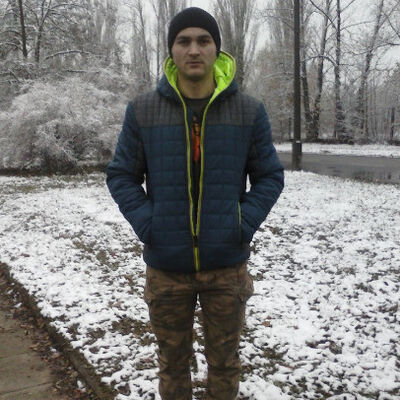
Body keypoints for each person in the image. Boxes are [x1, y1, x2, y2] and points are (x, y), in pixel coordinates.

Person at [106, 7, 284, 400]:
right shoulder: (143, 110)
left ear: (216, 49)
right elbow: (121, 175)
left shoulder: (248, 110)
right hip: (167, 269)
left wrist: (240, 224)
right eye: (183, 41)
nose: (194, 50)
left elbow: (270, 176)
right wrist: (150, 224)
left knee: (225, 362)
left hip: (227, 268)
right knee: (172, 364)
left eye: (203, 41)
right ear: (171, 50)